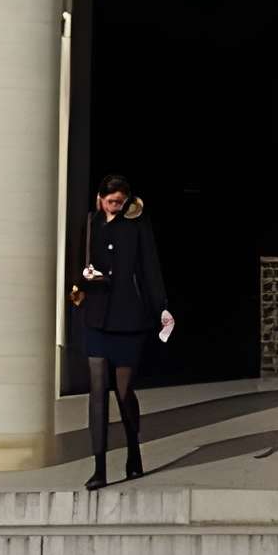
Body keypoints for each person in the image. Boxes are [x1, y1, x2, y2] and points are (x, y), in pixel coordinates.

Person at [73, 173, 173, 491]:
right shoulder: (90, 223)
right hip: (97, 317)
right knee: (97, 392)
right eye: (110, 201)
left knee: (123, 391)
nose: (115, 206)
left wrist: (162, 307)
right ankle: (99, 467)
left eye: (120, 201)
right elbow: (76, 261)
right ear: (100, 199)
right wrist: (81, 278)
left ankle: (133, 452)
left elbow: (150, 269)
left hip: (129, 318)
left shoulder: (138, 225)